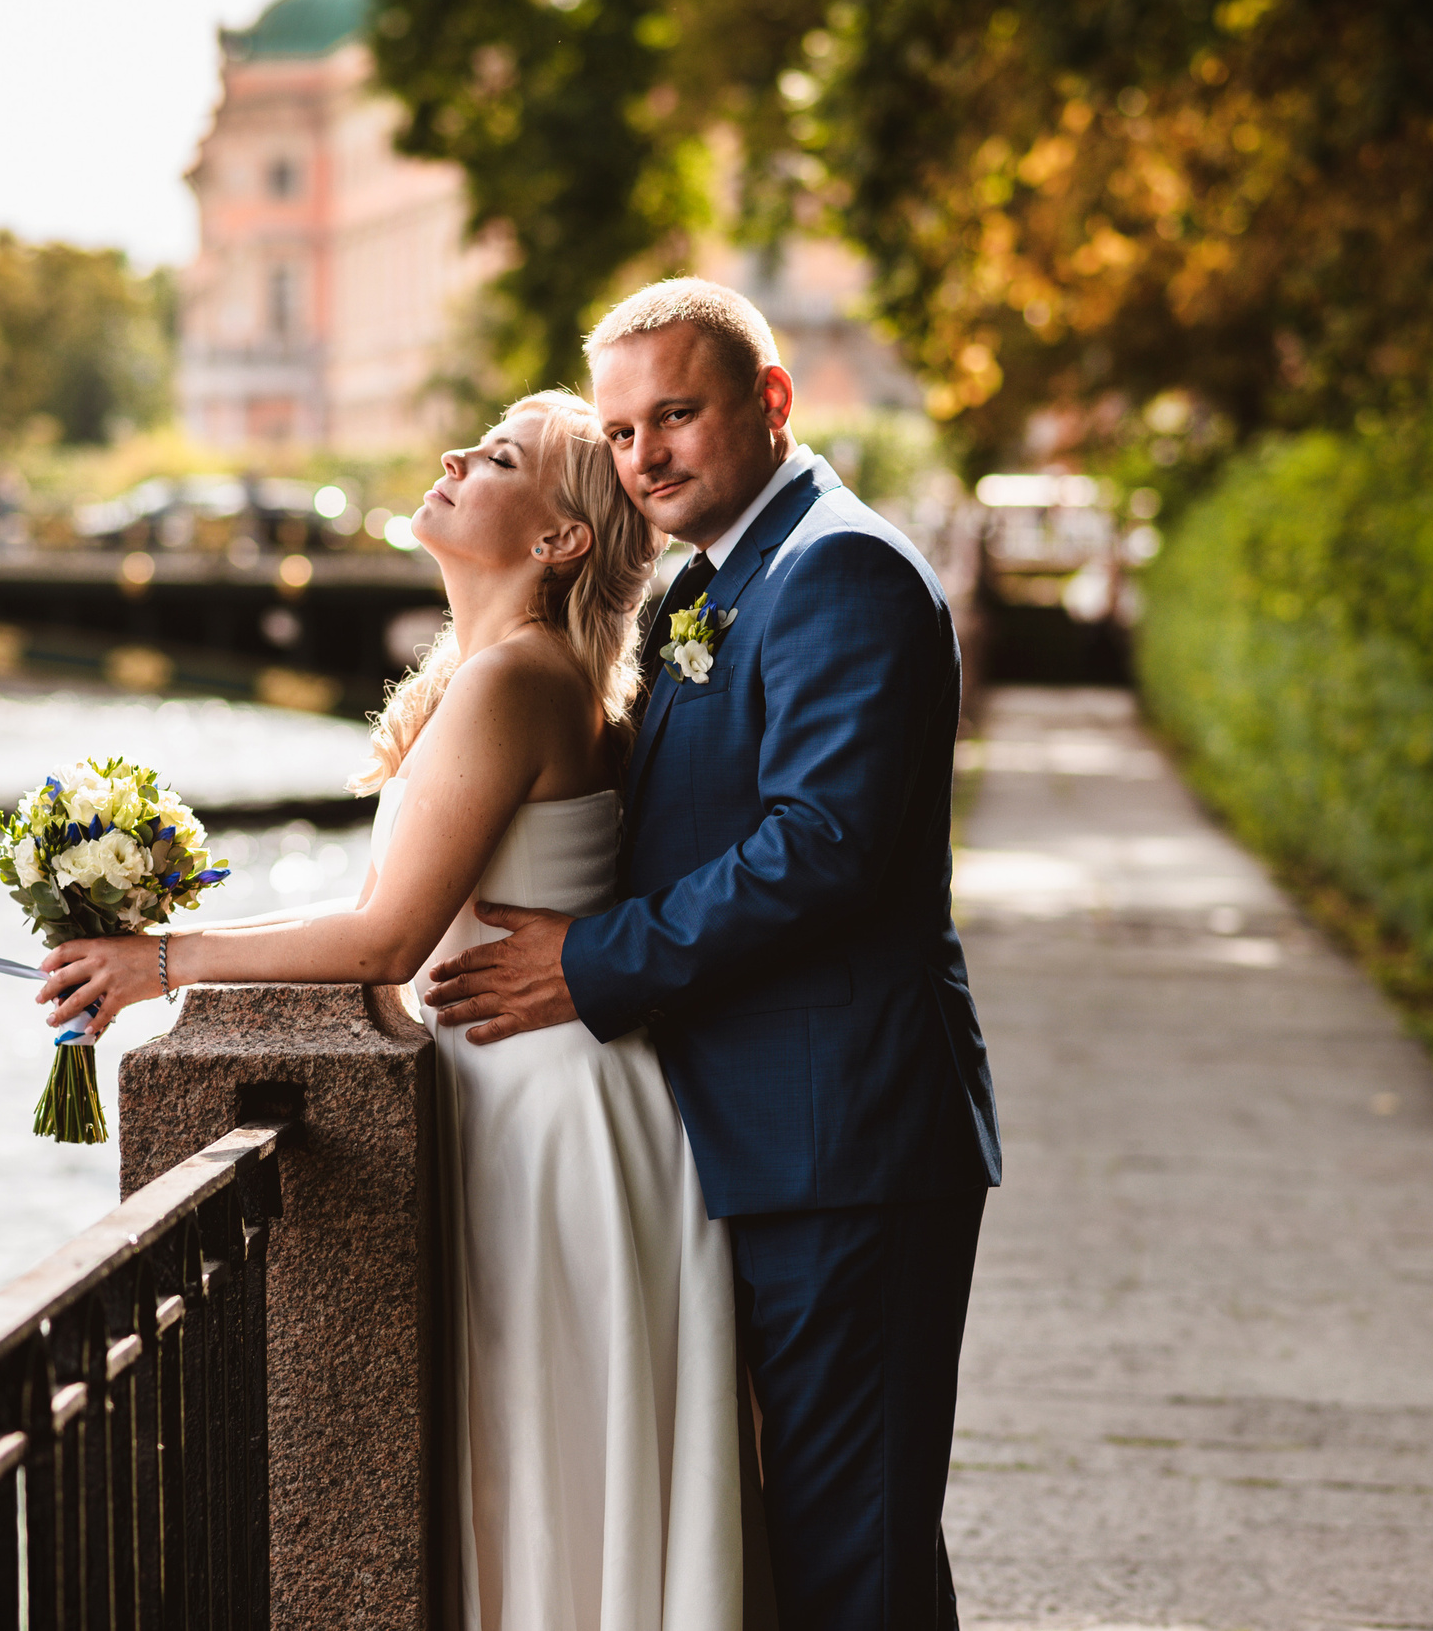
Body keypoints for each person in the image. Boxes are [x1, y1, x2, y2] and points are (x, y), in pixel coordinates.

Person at [33, 390, 750, 1630]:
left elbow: (387, 941)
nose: (456, 456)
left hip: (543, 1111)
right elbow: (386, 906)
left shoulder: (515, 678)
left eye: (500, 456)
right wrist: (165, 943)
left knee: (537, 1460)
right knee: (540, 1465)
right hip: (543, 1087)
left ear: (559, 538)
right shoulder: (503, 672)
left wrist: (164, 964)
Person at [423, 279, 1002, 1630]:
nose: (646, 456)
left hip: (843, 1139)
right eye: (623, 432)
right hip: (756, 1133)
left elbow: (823, 846)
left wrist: (592, 960)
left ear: (772, 399)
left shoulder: (840, 569)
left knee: (850, 1549)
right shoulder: (721, 576)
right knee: (815, 1539)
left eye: (675, 416)